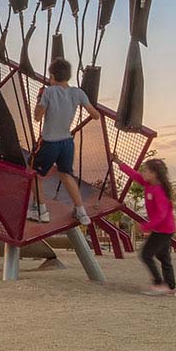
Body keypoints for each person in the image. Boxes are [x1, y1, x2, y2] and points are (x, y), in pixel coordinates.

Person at [28, 57, 100, 225]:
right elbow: (95, 115)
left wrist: (40, 101)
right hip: (67, 142)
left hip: (49, 142)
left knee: (33, 174)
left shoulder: (49, 92)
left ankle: (41, 210)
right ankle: (81, 212)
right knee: (66, 175)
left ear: (52, 76)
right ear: (68, 76)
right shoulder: (77, 93)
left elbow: (37, 117)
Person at [112, 154, 176, 296]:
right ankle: (170, 287)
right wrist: (119, 162)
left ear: (154, 174)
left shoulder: (159, 191)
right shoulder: (148, 184)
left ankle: (159, 284)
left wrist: (145, 226)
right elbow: (133, 174)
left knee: (146, 254)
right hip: (161, 229)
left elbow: (162, 214)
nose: (143, 172)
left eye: (145, 170)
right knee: (163, 257)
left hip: (164, 230)